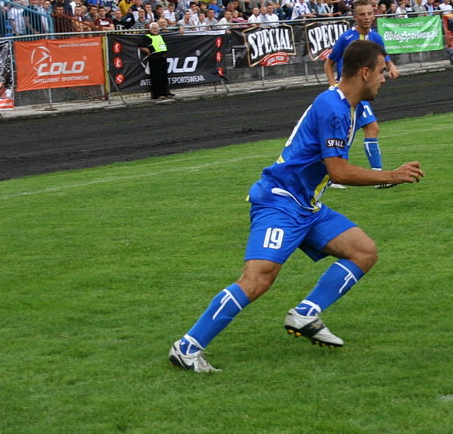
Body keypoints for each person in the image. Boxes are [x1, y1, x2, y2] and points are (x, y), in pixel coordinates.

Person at [168, 40, 424, 372]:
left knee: (363, 251)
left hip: (305, 204)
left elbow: (335, 170)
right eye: (380, 70)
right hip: (280, 202)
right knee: (257, 278)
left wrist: (382, 176)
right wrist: (389, 174)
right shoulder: (333, 108)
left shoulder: (346, 104)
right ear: (364, 73)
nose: (384, 77)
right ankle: (187, 348)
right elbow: (338, 170)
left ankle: (304, 314)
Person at [324, 0, 400, 187]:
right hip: (349, 94)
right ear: (355, 17)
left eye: (369, 14)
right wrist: (332, 84)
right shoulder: (347, 38)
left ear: (374, 15)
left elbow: (384, 56)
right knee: (372, 128)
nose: (366, 18)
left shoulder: (376, 38)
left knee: (345, 135)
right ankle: (377, 177)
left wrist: (391, 66)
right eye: (362, 14)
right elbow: (329, 62)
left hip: (360, 95)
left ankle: (332, 174)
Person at [138, 21, 174, 101]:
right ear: (150, 29)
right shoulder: (147, 37)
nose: (155, 30)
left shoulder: (159, 36)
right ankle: (157, 94)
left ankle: (165, 92)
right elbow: (140, 46)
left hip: (163, 57)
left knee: (164, 76)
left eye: (157, 28)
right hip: (155, 58)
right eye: (154, 28)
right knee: (156, 77)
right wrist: (148, 51)